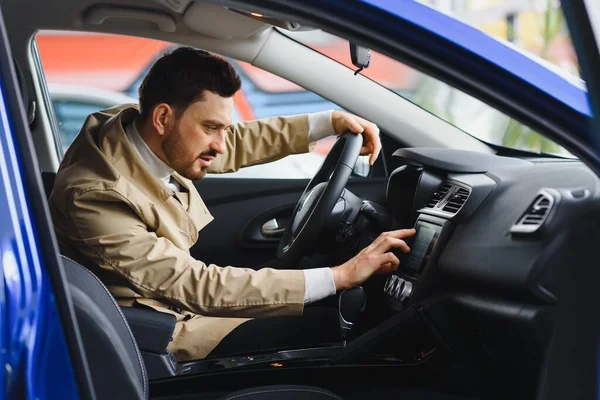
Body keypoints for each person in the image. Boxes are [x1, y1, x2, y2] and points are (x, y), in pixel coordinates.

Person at [49, 47, 415, 361]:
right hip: (156, 333)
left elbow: (234, 140)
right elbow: (189, 283)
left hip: (175, 306)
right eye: (211, 128)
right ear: (162, 118)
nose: (221, 145)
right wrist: (340, 276)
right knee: (340, 327)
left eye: (221, 128)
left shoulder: (139, 129)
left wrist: (327, 122)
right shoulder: (94, 195)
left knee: (327, 304)